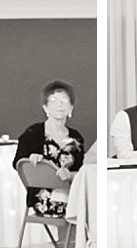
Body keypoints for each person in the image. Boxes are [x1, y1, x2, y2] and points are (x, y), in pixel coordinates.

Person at [16, 81, 86, 214]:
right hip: (43, 199)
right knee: (84, 209)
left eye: (64, 100)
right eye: (53, 100)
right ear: (45, 108)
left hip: (71, 193)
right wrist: (32, 158)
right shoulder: (33, 133)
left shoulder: (76, 138)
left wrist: (70, 175)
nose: (59, 105)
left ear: (71, 108)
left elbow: (80, 171)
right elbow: (19, 163)